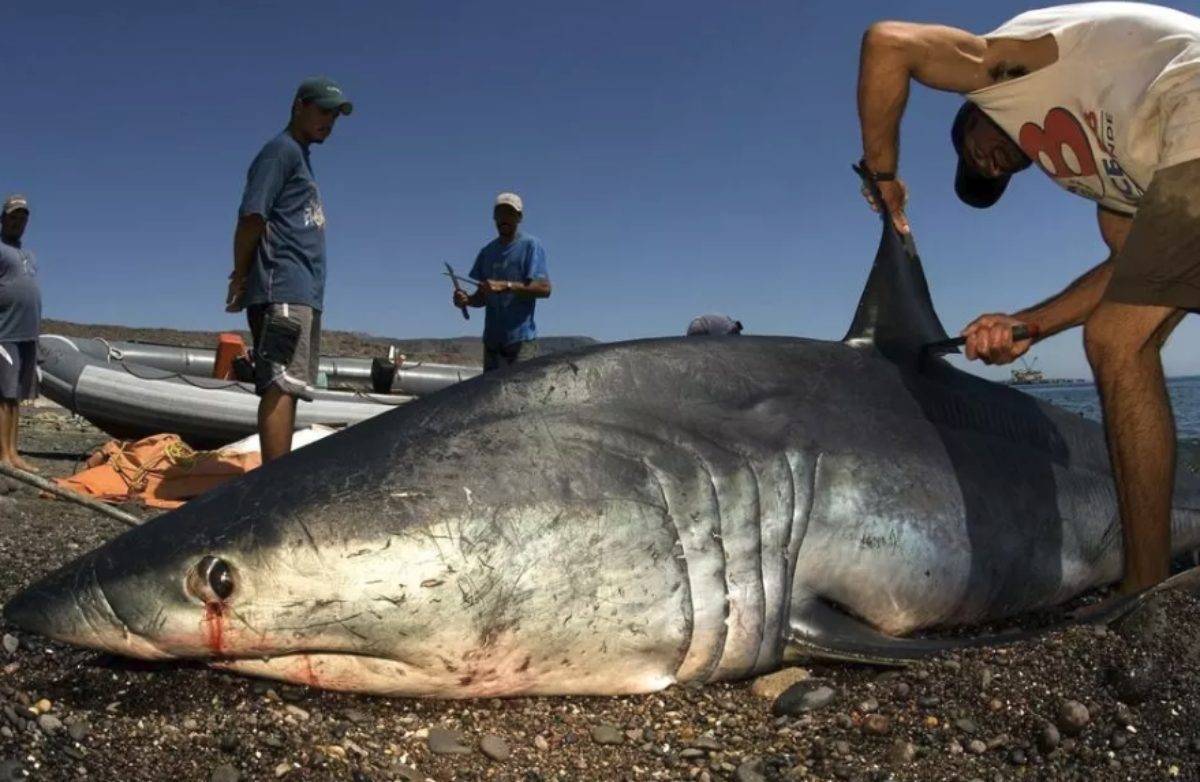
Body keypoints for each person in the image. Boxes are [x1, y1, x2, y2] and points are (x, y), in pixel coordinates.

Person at [856, 4, 1200, 594]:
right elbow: (1127, 271)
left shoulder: (1003, 70)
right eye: (989, 178)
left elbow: (889, 44)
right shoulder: (1100, 175)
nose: (985, 165)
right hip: (1176, 151)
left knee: (1117, 342)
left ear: (974, 114)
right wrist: (1027, 325)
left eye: (974, 152)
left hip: (1189, 94)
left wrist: (882, 177)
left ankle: (1144, 594)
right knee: (1131, 324)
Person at [225, 77, 352, 462]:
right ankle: (272, 485)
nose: (329, 120)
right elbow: (251, 216)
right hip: (282, 286)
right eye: (323, 110)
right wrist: (241, 274)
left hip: (302, 291)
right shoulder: (280, 152)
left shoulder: (300, 157)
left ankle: (276, 477)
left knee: (290, 383)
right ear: (299, 105)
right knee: (279, 383)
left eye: (335, 115)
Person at [453, 193, 552, 371]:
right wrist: (466, 300)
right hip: (492, 344)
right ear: (494, 218)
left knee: (520, 396)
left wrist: (506, 286)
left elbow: (545, 289)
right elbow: (481, 297)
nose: (503, 218)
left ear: (519, 217)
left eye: (509, 213)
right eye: (499, 214)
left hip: (521, 343)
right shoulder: (487, 252)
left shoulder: (531, 246)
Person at [0, 195, 39, 472]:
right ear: (3, 219)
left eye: (21, 219)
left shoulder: (28, 256)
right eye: (12, 218)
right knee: (4, 395)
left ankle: (14, 452)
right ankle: (4, 456)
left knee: (16, 396)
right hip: (5, 332)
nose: (17, 223)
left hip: (28, 333)